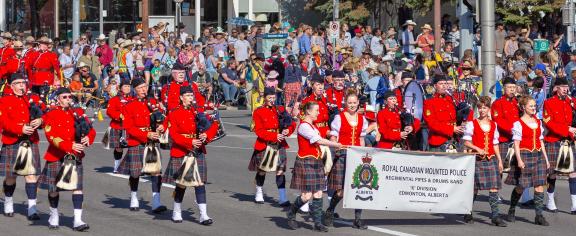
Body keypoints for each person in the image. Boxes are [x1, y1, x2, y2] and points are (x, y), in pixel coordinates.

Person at [39, 87, 96, 231]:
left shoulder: (78, 113)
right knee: (53, 189)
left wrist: (88, 138)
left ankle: (77, 220)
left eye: (69, 97)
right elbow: (51, 136)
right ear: (57, 99)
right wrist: (69, 145)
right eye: (64, 97)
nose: (68, 100)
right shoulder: (51, 114)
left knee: (77, 188)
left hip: (75, 156)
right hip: (56, 155)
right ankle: (54, 215)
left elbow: (91, 130)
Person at [163, 86, 220, 225]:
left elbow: (214, 125)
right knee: (181, 184)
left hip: (198, 150)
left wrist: (206, 135)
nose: (190, 98)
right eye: (188, 95)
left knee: (199, 183)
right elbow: (174, 135)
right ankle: (176, 211)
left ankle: (203, 215)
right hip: (182, 150)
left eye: (191, 95)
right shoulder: (174, 113)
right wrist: (189, 142)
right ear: (181, 97)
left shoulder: (198, 112)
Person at [286, 101, 344, 232]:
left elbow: (322, 137)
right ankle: (291, 212)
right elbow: (318, 140)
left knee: (318, 193)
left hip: (316, 162)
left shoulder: (313, 127)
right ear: (308, 112)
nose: (318, 112)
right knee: (306, 196)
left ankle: (317, 223)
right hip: (305, 162)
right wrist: (335, 145)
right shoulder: (304, 127)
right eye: (316, 110)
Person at [117, 78, 167, 213]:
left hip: (152, 142)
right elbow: (128, 127)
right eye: (140, 88)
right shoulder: (129, 106)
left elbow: (163, 118)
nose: (144, 90)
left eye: (145, 87)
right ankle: (134, 197)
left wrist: (162, 126)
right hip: (137, 142)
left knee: (155, 172)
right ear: (134, 90)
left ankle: (156, 202)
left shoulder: (153, 103)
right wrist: (146, 135)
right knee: (135, 173)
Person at [0, 73, 44, 220]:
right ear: (11, 86)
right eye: (18, 83)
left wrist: (40, 120)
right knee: (11, 176)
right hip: (12, 141)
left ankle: (32, 209)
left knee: (31, 176)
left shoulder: (32, 99)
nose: (21, 85)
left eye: (23, 83)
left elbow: (45, 114)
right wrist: (20, 129)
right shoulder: (4, 100)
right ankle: (8, 202)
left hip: (30, 141)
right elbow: (3, 122)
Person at [325, 89, 369, 230]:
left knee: (360, 188)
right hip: (343, 155)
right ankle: (330, 210)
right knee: (341, 191)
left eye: (354, 103)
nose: (352, 105)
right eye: (349, 102)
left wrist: (363, 153)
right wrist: (335, 146)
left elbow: (361, 139)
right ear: (345, 103)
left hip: (356, 156)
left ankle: (357, 219)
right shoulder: (339, 117)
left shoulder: (362, 119)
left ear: (358, 103)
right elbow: (333, 136)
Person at [504, 95, 550, 226]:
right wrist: (519, 160)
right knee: (521, 186)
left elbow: (541, 142)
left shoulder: (538, 122)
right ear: (523, 107)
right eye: (531, 106)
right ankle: (512, 209)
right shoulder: (518, 124)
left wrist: (546, 159)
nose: (533, 108)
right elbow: (516, 144)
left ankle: (539, 215)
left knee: (539, 185)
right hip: (524, 155)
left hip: (538, 156)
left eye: (534, 106)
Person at [462, 96, 507, 226]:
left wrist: (499, 161)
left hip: (491, 159)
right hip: (477, 159)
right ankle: (468, 212)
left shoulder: (494, 124)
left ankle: (495, 216)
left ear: (489, 109)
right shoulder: (472, 124)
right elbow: (466, 142)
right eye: (480, 107)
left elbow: (495, 144)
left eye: (484, 108)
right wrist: (477, 148)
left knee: (494, 187)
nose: (482, 110)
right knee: (474, 188)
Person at [249, 87, 296, 205]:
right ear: (264, 98)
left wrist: (287, 130)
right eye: (270, 98)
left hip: (279, 145)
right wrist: (274, 136)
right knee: (262, 170)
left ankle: (282, 198)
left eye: (274, 98)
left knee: (280, 171)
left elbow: (291, 123)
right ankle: (259, 192)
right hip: (265, 144)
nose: (272, 100)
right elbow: (259, 131)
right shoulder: (258, 111)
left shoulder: (280, 109)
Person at [542, 77, 576, 214]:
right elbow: (548, 123)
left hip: (569, 141)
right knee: (552, 173)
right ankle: (550, 201)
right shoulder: (548, 102)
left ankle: (574, 205)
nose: (565, 89)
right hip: (553, 140)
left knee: (573, 172)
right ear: (556, 88)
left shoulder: (571, 102)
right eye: (562, 86)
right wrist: (566, 129)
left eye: (566, 86)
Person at [423, 75, 464, 152]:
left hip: (454, 139)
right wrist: (451, 129)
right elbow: (431, 123)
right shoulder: (429, 102)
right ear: (435, 86)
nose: (444, 86)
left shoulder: (452, 99)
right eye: (441, 84)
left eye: (445, 83)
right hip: (439, 141)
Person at [105, 77, 133, 173]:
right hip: (117, 126)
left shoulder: (133, 99)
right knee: (119, 148)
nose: (127, 88)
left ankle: (131, 166)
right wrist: (118, 115)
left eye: (129, 86)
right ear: (120, 88)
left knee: (133, 147)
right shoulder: (114, 99)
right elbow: (109, 111)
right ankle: (116, 165)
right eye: (125, 86)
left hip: (130, 127)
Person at [492, 78, 520, 169]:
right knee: (499, 167)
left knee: (518, 167)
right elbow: (498, 121)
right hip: (504, 139)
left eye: (514, 87)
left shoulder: (518, 102)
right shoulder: (498, 103)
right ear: (504, 89)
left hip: (518, 139)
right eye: (509, 87)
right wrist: (513, 131)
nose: (512, 89)